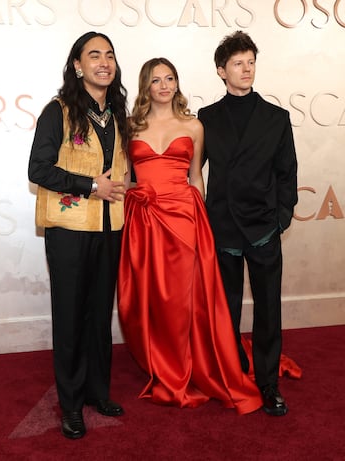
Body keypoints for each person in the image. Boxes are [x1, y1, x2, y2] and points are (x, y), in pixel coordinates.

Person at [117, 57, 263, 414]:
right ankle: (163, 364)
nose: (164, 85)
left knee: (183, 298)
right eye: (156, 80)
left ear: (177, 84)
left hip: (184, 216)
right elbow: (124, 178)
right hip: (145, 220)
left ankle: (188, 363)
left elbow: (197, 177)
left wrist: (203, 222)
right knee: (153, 298)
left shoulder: (193, 125)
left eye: (170, 78)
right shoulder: (130, 127)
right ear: (145, 86)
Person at [28, 31, 129, 439]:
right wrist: (91, 185)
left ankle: (96, 392)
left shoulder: (117, 113)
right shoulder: (58, 111)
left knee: (100, 314)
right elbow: (39, 169)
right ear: (77, 65)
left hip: (109, 228)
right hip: (69, 231)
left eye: (109, 55)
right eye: (94, 55)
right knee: (70, 318)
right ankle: (70, 405)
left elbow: (122, 168)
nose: (103, 62)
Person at [198, 31, 298, 416]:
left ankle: (268, 383)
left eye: (250, 62)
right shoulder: (206, 119)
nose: (246, 69)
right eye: (238, 63)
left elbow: (287, 173)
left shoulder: (277, 118)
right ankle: (232, 372)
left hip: (263, 229)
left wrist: (281, 217)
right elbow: (192, 171)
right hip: (222, 226)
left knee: (269, 309)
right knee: (225, 309)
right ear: (221, 70)